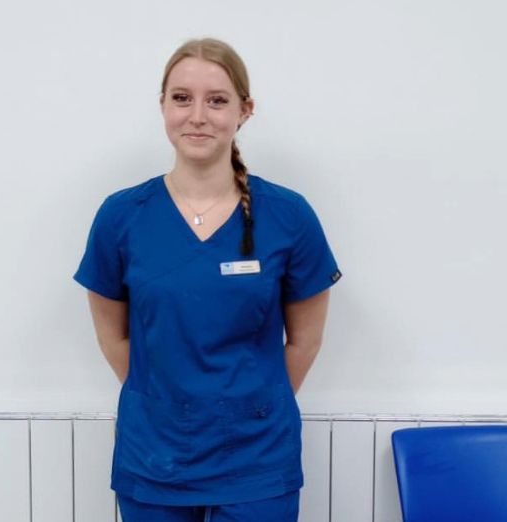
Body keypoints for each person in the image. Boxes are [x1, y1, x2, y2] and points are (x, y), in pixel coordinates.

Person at [74, 37, 342, 522]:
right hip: (154, 458)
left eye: (217, 100)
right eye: (182, 98)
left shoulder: (288, 216)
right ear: (163, 107)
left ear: (245, 110)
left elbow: (305, 342)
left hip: (257, 460)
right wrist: (169, 403)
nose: (198, 115)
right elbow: (113, 336)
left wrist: (245, 407)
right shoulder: (120, 217)